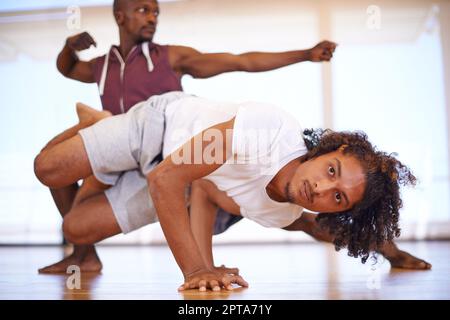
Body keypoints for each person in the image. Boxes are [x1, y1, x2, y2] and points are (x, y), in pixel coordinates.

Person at [44, 0, 337, 273]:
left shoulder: (171, 56)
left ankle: (96, 128)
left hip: (164, 156)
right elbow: (68, 68)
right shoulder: (102, 65)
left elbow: (240, 61)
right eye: (143, 10)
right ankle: (83, 255)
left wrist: (305, 54)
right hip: (123, 147)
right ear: (120, 16)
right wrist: (69, 48)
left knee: (74, 222)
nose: (152, 17)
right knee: (53, 171)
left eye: (155, 12)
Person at [34, 92, 428, 291]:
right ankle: (102, 124)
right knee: (47, 169)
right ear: (325, 151)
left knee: (76, 230)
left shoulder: (283, 214)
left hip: (175, 177)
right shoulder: (268, 130)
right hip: (158, 128)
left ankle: (104, 159)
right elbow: (165, 181)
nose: (322, 187)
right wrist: (197, 269)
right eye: (331, 170)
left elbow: (205, 190)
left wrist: (388, 250)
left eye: (338, 197)